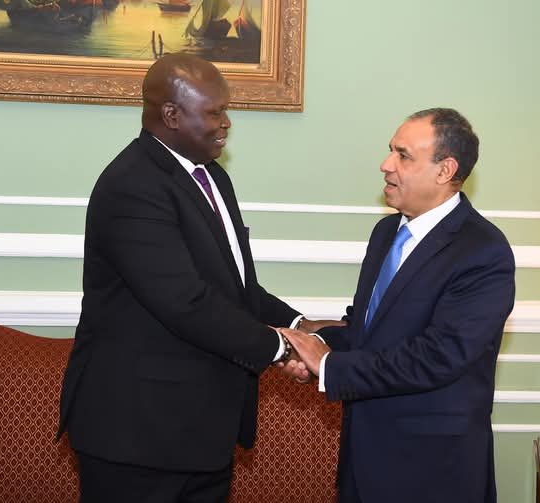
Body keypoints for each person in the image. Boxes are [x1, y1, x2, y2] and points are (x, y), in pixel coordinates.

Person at [57, 53, 337, 502]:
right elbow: (184, 301)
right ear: (171, 115)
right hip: (137, 436)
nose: (226, 123)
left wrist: (299, 323)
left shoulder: (212, 177)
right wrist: (282, 348)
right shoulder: (133, 184)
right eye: (214, 112)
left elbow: (231, 285)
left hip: (200, 433)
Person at [280, 108, 516, 503]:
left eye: (403, 155)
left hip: (432, 472)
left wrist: (330, 366)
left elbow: (440, 355)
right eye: (391, 150)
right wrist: (310, 348)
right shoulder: (386, 231)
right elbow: (367, 331)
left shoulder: (483, 251)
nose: (386, 165)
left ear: (445, 170)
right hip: (363, 460)